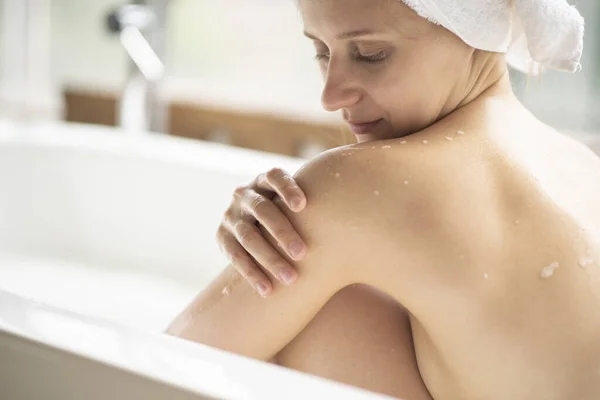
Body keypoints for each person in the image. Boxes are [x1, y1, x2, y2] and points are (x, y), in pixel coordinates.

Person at [166, 1, 599, 399]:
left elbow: (146, 373)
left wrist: (315, 209)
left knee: (323, 309)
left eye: (370, 53)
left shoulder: (354, 187)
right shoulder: (582, 166)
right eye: (321, 52)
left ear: (471, 31)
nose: (330, 96)